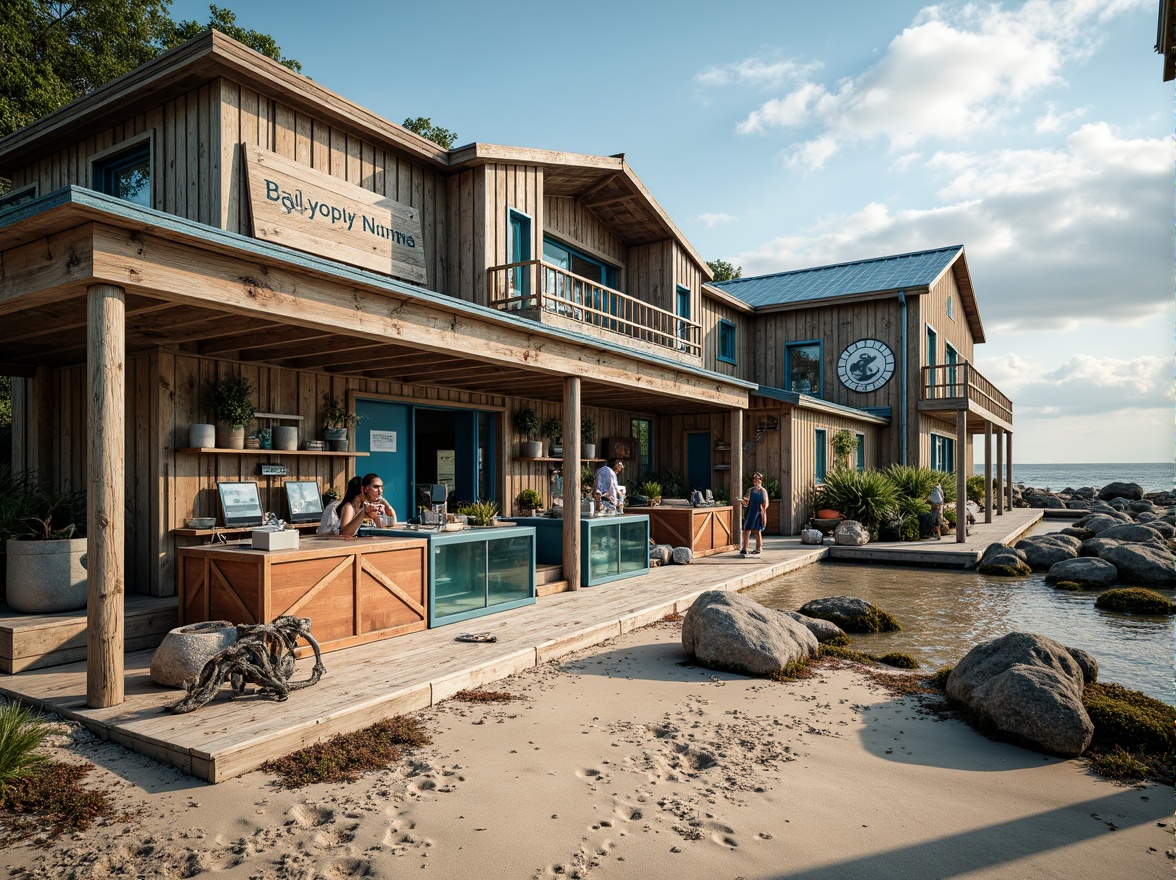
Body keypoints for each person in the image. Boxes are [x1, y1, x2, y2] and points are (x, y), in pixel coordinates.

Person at [317, 473, 396, 536]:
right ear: (363, 489)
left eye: (381, 487)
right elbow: (344, 533)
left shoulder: (365, 505)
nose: (379, 491)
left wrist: (377, 514)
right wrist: (363, 513)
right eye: (375, 487)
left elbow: (384, 527)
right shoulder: (349, 506)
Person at [740, 472, 769, 555]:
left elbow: (766, 503)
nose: (755, 480)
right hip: (750, 512)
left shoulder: (763, 491)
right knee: (746, 530)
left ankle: (758, 548)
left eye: (757, 478)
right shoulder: (750, 490)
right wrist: (743, 502)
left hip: (758, 512)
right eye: (754, 478)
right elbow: (746, 502)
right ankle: (744, 548)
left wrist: (762, 510)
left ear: (761, 480)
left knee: (757, 530)